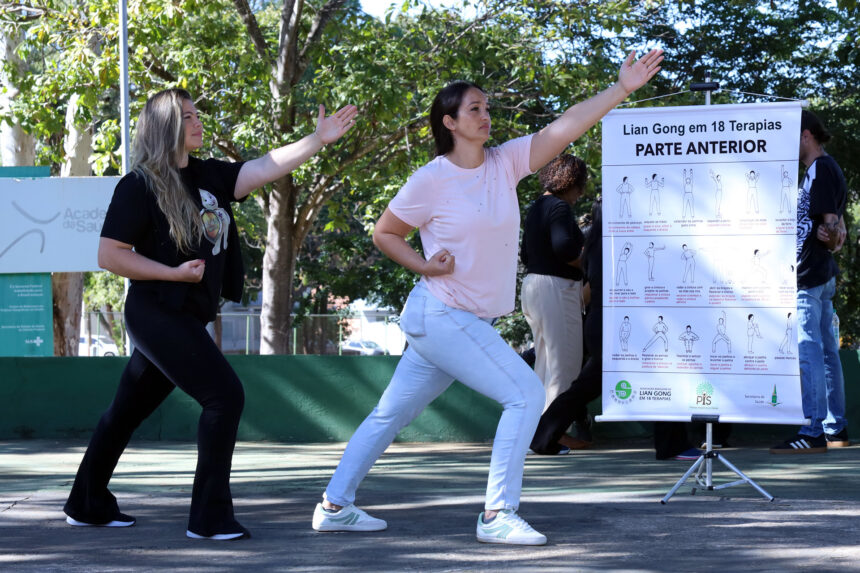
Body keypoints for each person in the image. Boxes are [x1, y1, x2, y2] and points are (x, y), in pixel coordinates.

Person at [311, 49, 664, 546]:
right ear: (450, 122)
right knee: (524, 394)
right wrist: (423, 264)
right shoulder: (431, 179)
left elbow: (565, 128)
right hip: (442, 314)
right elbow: (385, 232)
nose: (485, 115)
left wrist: (621, 88)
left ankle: (334, 505)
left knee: (390, 415)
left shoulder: (505, 163)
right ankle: (497, 513)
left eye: (486, 107)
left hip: (458, 322)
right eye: (474, 108)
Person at [62, 88, 357, 539]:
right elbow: (110, 255)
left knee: (124, 412)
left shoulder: (207, 175)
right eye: (187, 116)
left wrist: (317, 139)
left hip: (185, 314)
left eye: (197, 114)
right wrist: (172, 273)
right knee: (224, 396)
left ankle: (86, 503)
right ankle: (209, 518)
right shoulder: (139, 185)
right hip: (156, 312)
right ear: (165, 127)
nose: (198, 122)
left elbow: (264, 166)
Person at [771, 110, 849, 454]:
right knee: (827, 352)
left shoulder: (820, 169)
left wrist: (829, 237)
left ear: (806, 135)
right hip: (821, 274)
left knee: (810, 351)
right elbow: (838, 230)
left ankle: (814, 429)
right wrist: (832, 237)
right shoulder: (824, 169)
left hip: (810, 275)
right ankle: (834, 427)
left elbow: (833, 227)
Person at [530, 198, 604, 455]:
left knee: (579, 383)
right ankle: (546, 434)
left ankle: (544, 433)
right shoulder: (603, 244)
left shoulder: (592, 243)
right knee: (573, 379)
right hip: (601, 322)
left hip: (595, 320)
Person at [521, 154, 587, 411]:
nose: (581, 193)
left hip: (533, 287)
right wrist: (590, 261)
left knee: (545, 365)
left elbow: (525, 255)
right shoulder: (560, 207)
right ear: (571, 181)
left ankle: (538, 424)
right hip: (556, 289)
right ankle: (555, 428)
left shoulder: (537, 207)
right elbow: (565, 248)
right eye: (580, 185)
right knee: (564, 366)